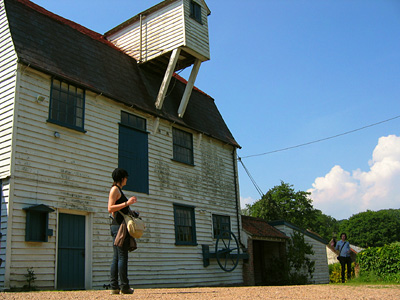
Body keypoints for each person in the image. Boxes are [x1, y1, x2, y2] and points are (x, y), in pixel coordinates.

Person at [108, 168, 137, 295]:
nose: (127, 179)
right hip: (120, 227)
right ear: (122, 178)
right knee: (122, 256)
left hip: (117, 226)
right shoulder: (115, 189)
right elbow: (110, 208)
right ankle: (124, 287)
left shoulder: (118, 190)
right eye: (126, 177)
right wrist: (127, 203)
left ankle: (114, 287)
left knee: (116, 257)